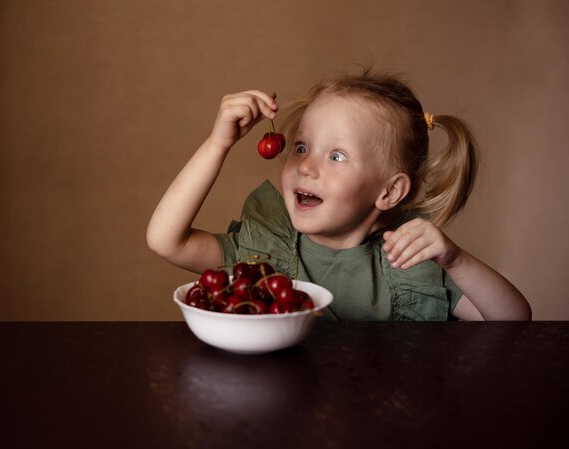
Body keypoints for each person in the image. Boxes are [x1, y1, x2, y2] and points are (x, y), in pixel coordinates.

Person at [147, 67, 531, 321]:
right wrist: (219, 144)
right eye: (301, 147)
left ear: (390, 191)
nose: (306, 166)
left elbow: (514, 320)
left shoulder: (410, 261)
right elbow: (167, 241)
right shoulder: (264, 249)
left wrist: (456, 260)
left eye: (336, 155)